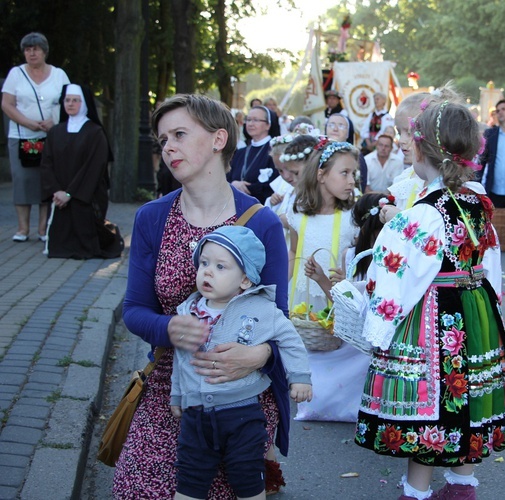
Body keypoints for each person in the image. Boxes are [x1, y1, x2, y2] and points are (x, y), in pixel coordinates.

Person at [113, 94, 290, 498]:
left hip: (239, 398)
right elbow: (134, 310)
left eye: (179, 134)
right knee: (136, 488)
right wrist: (169, 327)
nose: (168, 147)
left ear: (218, 139)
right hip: (170, 389)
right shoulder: (152, 218)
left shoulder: (260, 222)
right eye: (162, 141)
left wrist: (260, 355)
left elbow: (277, 317)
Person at [355, 97, 505, 500]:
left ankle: (415, 493)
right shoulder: (477, 201)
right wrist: (491, 301)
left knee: (431, 402)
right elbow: (490, 258)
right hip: (474, 309)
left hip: (434, 313)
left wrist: (380, 323)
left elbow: (395, 267)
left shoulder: (425, 212)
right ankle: (462, 486)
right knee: (464, 394)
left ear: (419, 149)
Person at [170, 226, 312, 500]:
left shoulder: (261, 309)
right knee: (189, 477)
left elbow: (290, 341)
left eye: (220, 266)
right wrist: (178, 393)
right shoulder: (188, 311)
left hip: (242, 414)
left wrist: (300, 377)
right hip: (195, 415)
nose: (207, 271)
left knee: (247, 476)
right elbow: (181, 358)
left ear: (245, 280)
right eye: (204, 263)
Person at [287, 137, 369, 422]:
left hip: (334, 301)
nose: (351, 181)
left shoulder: (351, 218)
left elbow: (357, 265)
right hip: (302, 297)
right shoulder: (297, 214)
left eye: (353, 174)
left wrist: (348, 277)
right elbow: (293, 253)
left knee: (333, 356)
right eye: (344, 173)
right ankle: (305, 393)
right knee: (304, 350)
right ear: (321, 175)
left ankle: (333, 398)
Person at [2, 32, 70, 242]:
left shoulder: (59, 75)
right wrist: (28, 123)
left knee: (46, 180)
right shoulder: (16, 73)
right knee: (22, 179)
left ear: (44, 51)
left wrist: (53, 121)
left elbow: (69, 100)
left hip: (51, 137)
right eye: (27, 49)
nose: (31, 53)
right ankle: (23, 228)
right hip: (22, 136)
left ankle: (43, 228)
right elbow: (6, 104)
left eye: (36, 49)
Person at [40, 84, 121, 259]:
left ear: (83, 103)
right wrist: (57, 191)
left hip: (85, 195)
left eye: (75, 100)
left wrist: (70, 193)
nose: (70, 104)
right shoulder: (55, 132)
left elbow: (94, 168)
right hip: (60, 195)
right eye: (67, 100)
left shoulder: (95, 133)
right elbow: (46, 163)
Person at [228, 105, 280, 204]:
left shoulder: (275, 151)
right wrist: (233, 184)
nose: (250, 124)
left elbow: (274, 184)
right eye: (248, 120)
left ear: (268, 125)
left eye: (256, 120)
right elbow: (227, 176)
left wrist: (247, 188)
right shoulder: (240, 152)